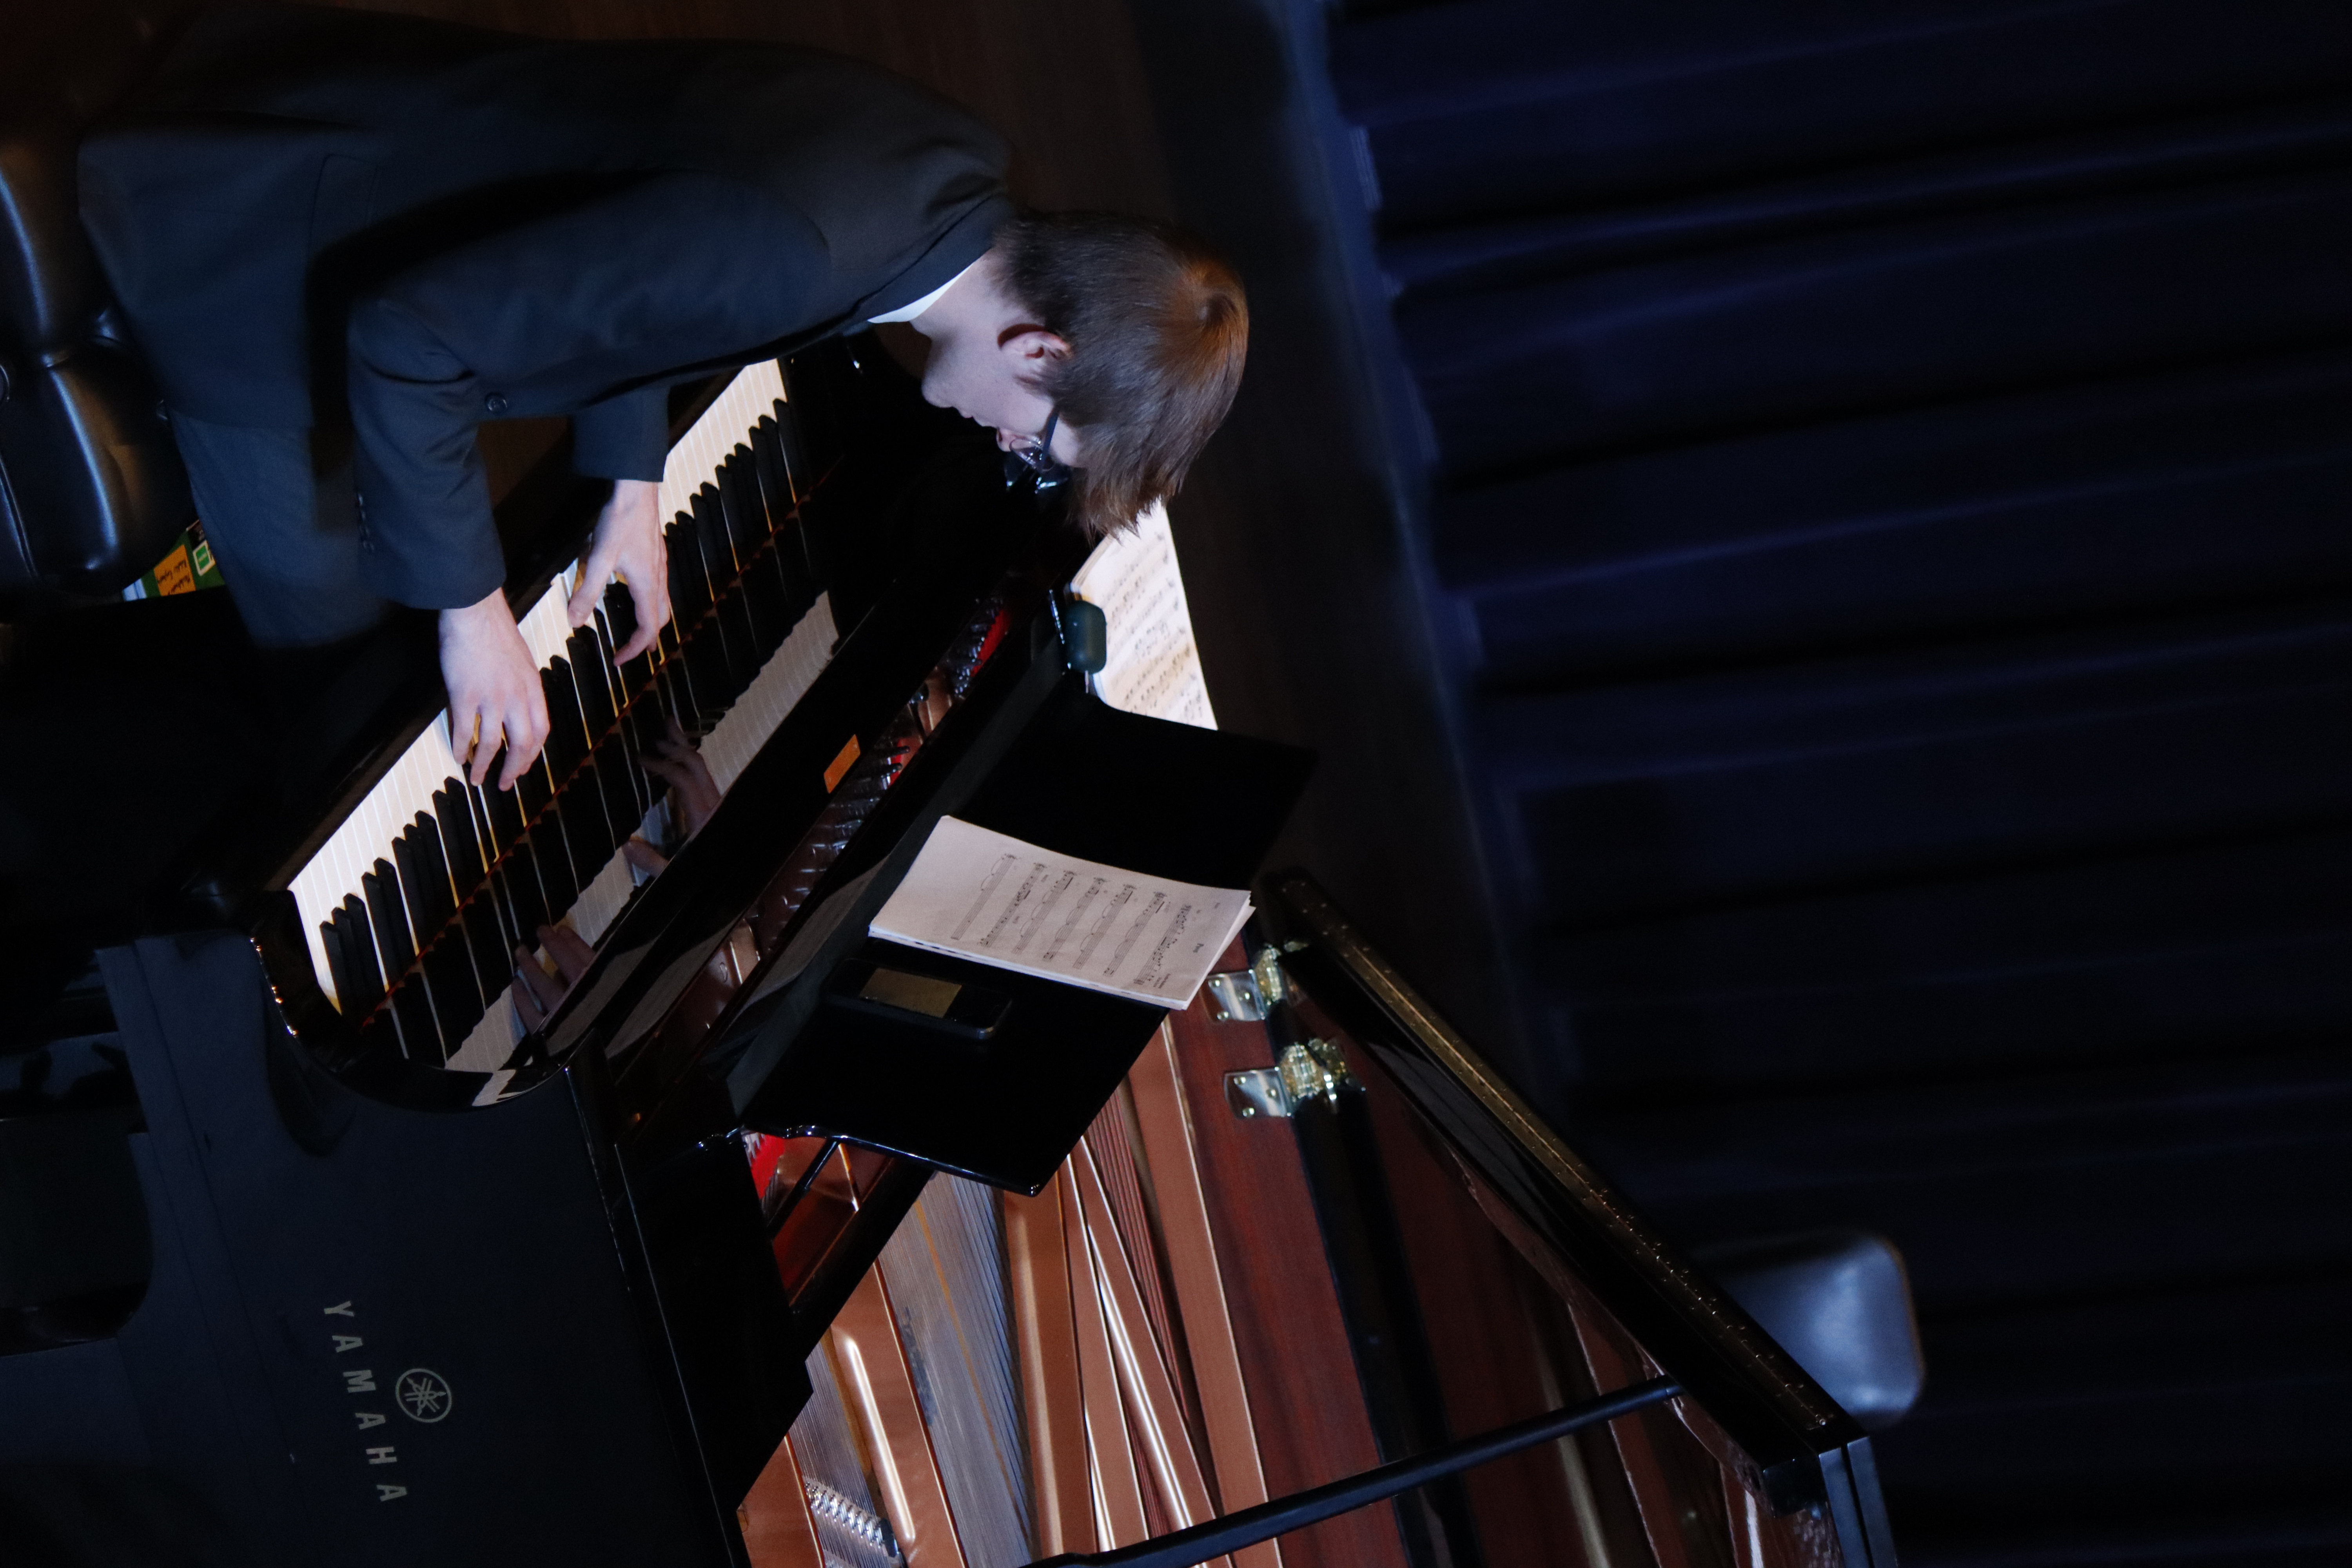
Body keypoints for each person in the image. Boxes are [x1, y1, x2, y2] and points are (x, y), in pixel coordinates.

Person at [78, 4, 1248, 789]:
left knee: (402, 598)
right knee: (347, 696)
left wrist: (631, 482)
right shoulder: (807, 248)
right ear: (1041, 352)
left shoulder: (953, 185)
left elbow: (655, 242)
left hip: (369, 156)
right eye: (1044, 446)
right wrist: (473, 607)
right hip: (260, 258)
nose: (1011, 449)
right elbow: (407, 339)